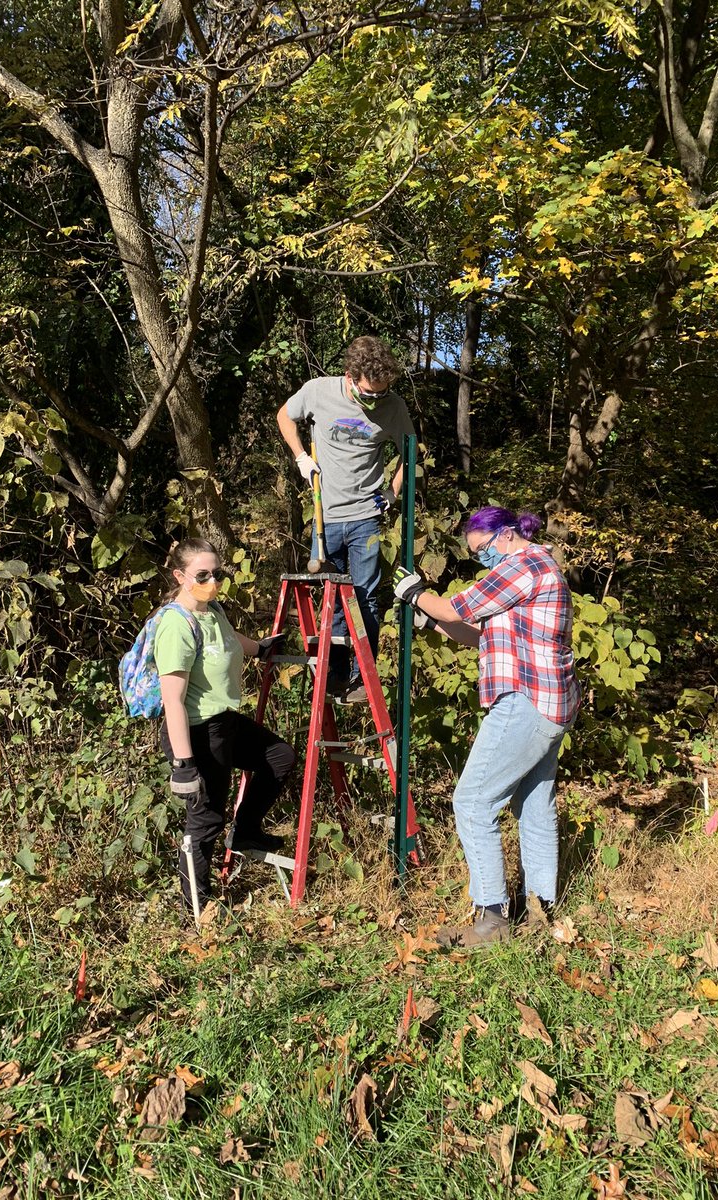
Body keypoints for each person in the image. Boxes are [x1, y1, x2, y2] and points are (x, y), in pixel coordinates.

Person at [393, 507, 581, 948]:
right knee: (534, 805)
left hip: (526, 702)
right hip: (548, 702)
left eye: (483, 550)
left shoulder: (525, 564)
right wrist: (432, 620)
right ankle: (540, 910)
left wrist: (416, 594)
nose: (482, 560)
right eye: (477, 555)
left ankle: (492, 918)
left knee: (473, 801)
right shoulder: (531, 572)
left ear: (508, 534)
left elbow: (458, 605)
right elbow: (480, 633)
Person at [154, 538, 296, 913]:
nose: (212, 580)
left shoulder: (211, 609)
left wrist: (261, 648)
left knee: (279, 756)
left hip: (224, 721)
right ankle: (197, 909)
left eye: (217, 573)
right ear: (180, 576)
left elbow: (229, 640)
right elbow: (172, 700)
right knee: (206, 817)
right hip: (196, 731)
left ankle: (246, 830)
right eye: (202, 575)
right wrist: (183, 765)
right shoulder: (175, 625)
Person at [276, 335, 415, 701]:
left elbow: (412, 456)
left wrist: (393, 492)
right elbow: (284, 416)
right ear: (350, 376)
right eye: (369, 394)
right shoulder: (319, 391)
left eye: (382, 393)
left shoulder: (393, 407)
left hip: (366, 516)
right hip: (327, 514)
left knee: (365, 596)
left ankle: (360, 676)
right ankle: (334, 675)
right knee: (333, 596)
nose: (376, 400)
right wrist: (300, 457)